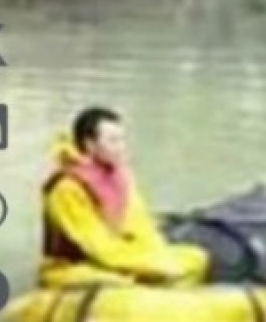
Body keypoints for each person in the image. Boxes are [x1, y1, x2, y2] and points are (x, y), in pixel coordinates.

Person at [39, 107, 211, 288]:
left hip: (119, 255)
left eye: (122, 140)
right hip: (73, 266)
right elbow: (97, 246)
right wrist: (147, 265)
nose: (121, 147)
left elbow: (141, 226)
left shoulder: (120, 177)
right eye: (113, 141)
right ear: (90, 144)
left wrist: (158, 255)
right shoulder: (67, 188)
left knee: (196, 258)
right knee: (121, 283)